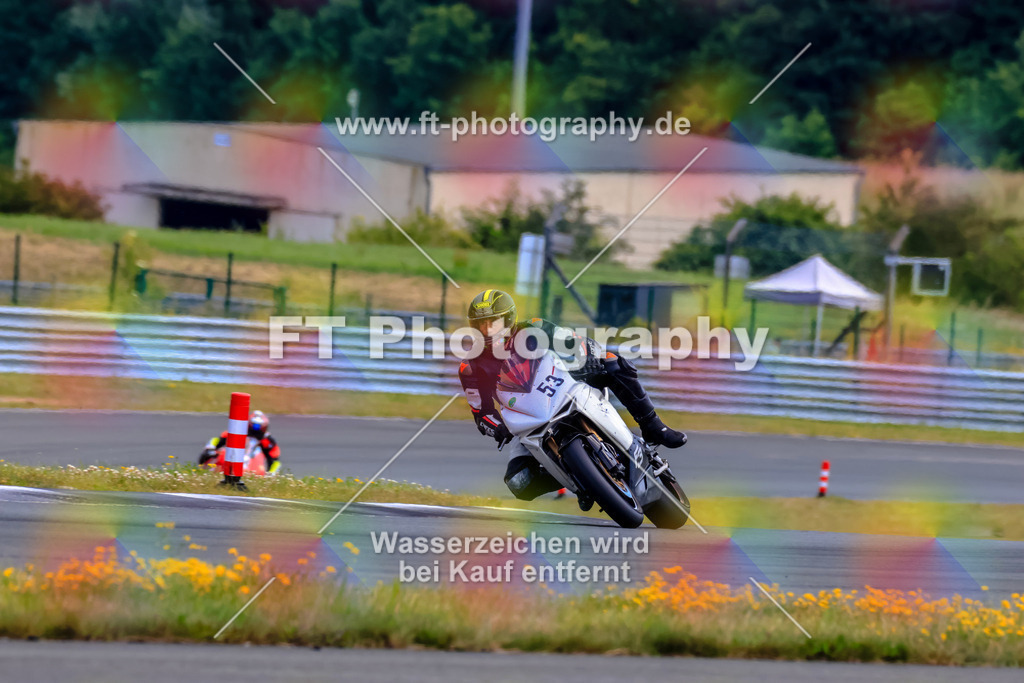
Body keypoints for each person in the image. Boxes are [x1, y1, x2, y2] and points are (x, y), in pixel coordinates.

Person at [458, 289, 686, 508]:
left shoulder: (534, 327)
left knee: (613, 362)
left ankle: (654, 426)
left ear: (508, 319)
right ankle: (581, 481)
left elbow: (572, 341)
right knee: (519, 482)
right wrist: (497, 428)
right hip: (528, 416)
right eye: (480, 325)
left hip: (564, 382)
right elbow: (482, 413)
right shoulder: (470, 367)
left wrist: (588, 355)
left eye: (493, 322)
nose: (487, 329)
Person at [199, 410, 281, 485]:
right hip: (232, 455)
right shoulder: (238, 430)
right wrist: (211, 448)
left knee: (259, 465)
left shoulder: (267, 440)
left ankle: (245, 479)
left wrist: (271, 474)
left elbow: (275, 460)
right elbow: (218, 440)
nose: (256, 430)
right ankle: (205, 471)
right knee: (212, 454)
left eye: (259, 427)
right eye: (254, 426)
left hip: (251, 460)